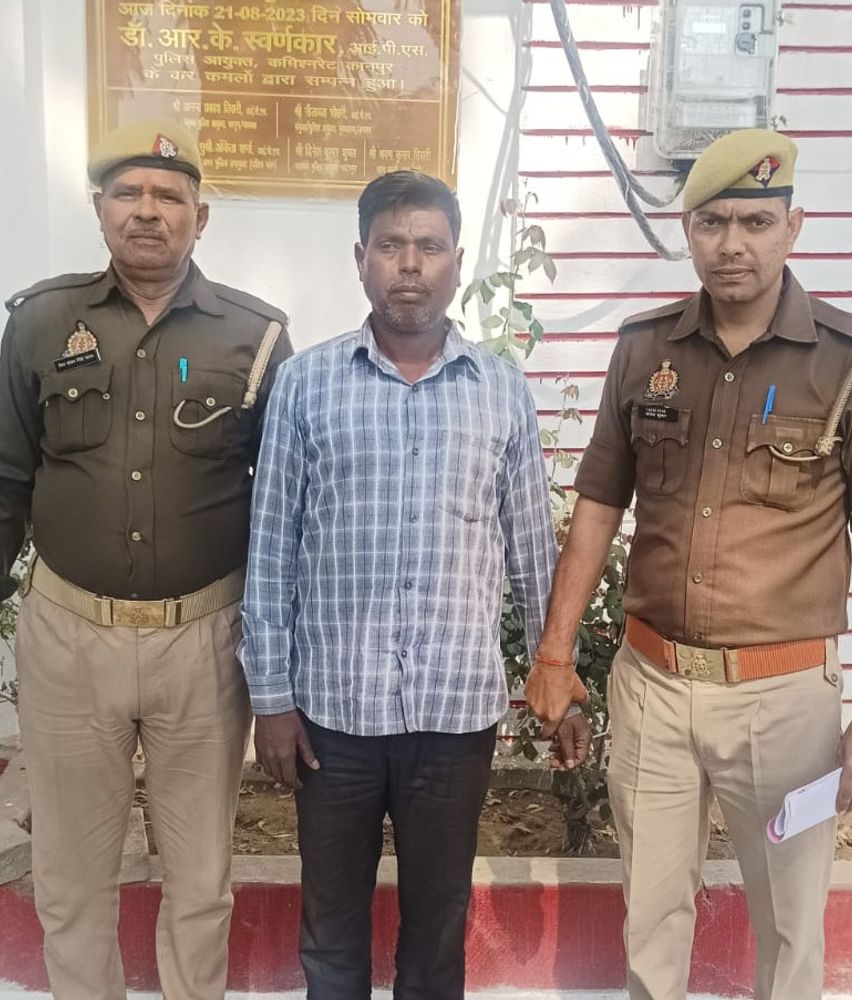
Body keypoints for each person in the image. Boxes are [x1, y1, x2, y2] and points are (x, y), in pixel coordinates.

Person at [524, 129, 852, 1000]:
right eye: (712, 222)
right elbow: (598, 507)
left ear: (792, 228)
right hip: (653, 687)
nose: (732, 243)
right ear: (688, 231)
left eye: (755, 221)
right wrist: (555, 653)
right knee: (650, 919)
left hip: (783, 700)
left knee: (789, 927)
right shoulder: (645, 349)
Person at [239, 169, 575, 1000]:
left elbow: (532, 550)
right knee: (330, 932)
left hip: (454, 717)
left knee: (436, 929)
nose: (411, 264)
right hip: (332, 718)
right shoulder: (306, 383)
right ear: (361, 259)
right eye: (391, 245)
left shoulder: (499, 389)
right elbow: (272, 546)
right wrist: (271, 700)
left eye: (429, 246)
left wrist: (558, 678)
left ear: (457, 261)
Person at [0, 119, 293, 1000]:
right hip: (68, 637)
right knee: (69, 879)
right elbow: (7, 478)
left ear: (201, 217)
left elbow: (283, 508)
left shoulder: (256, 336)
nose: (147, 210)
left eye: (169, 195)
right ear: (99, 209)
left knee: (199, 884)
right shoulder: (40, 321)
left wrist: (280, 653)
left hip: (203, 643)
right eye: (127, 192)